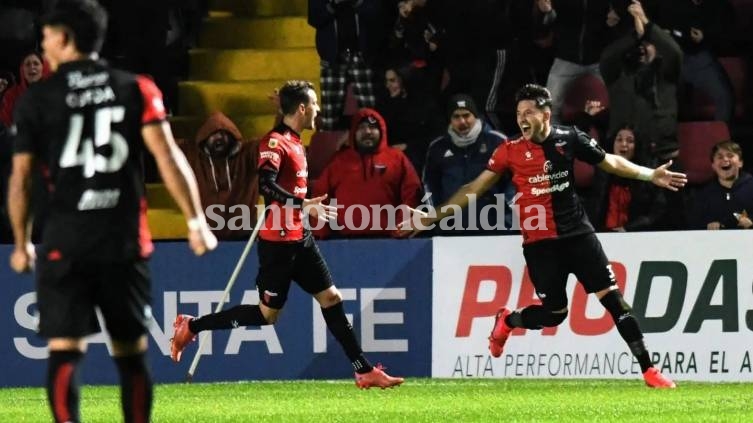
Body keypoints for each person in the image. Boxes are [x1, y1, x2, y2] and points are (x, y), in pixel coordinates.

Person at [6, 1, 218, 422]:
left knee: (65, 351)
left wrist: (20, 241)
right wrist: (195, 221)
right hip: (123, 241)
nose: (42, 43)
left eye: (47, 35)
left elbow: (22, 178)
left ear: (64, 38)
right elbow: (168, 156)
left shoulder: (38, 99)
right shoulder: (135, 87)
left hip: (64, 242)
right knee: (131, 353)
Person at [398, 84, 686, 388]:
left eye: (529, 112)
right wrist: (433, 216)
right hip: (540, 245)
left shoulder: (569, 138)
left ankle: (649, 370)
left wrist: (649, 174)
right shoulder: (508, 151)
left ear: (545, 114)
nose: (522, 119)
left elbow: (609, 161)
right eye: (519, 113)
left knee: (615, 302)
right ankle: (508, 321)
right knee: (554, 314)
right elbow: (473, 189)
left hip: (578, 235)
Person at [170, 80, 405, 389]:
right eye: (316, 104)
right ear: (303, 109)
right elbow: (266, 184)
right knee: (267, 316)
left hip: (300, 237)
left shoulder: (294, 140)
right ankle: (192, 325)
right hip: (278, 244)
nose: (319, 110)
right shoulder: (275, 142)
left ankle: (363, 370)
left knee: (331, 297)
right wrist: (302, 204)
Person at [312, 107, 422, 239]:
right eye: (362, 128)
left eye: (373, 127)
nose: (368, 132)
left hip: (390, 241)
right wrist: (320, 235)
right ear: (353, 132)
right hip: (344, 242)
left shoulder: (397, 159)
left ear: (382, 130)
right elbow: (320, 196)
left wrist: (401, 228)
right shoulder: (338, 161)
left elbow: (411, 193)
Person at [423, 94, 513, 235]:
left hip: (495, 227)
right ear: (450, 120)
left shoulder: (497, 141)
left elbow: (515, 178)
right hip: (451, 229)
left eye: (466, 115)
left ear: (475, 116)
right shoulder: (437, 148)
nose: (462, 121)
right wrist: (435, 216)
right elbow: (429, 183)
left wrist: (507, 209)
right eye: (456, 117)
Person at [179, 111, 260, 240]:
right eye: (213, 134)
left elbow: (276, 143)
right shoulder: (192, 155)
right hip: (206, 237)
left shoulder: (248, 153)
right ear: (204, 138)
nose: (219, 138)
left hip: (244, 236)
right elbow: (161, 144)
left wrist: (284, 112)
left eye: (224, 134)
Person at [584, 125, 667, 232]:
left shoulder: (648, 174)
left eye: (630, 141)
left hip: (636, 235)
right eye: (619, 140)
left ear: (637, 146)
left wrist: (628, 229)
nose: (623, 144)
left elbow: (656, 214)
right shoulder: (602, 174)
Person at [690, 140, 753, 230]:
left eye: (730, 156)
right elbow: (693, 225)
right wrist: (707, 226)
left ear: (740, 163)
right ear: (713, 166)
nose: (725, 159)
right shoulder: (704, 194)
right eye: (720, 157)